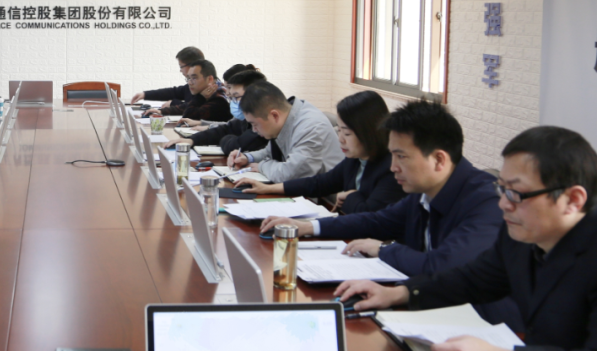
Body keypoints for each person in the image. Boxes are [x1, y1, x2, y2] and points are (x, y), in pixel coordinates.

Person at [261, 99, 520, 329]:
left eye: (401, 157)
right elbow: (377, 221)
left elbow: (444, 266)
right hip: (430, 308)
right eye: (392, 155)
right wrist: (310, 227)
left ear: (439, 160)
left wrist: (385, 250)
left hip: (486, 326)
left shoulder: (487, 202)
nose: (393, 167)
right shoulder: (424, 191)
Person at [335, 126, 597, 351]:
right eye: (502, 188)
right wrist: (398, 293)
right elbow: (472, 280)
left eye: (516, 193)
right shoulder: (520, 236)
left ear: (573, 200)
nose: (503, 204)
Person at [235, 90, 406, 214]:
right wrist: (267, 188)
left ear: (369, 132)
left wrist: (351, 198)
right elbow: (318, 183)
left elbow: (370, 218)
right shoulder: (356, 159)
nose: (340, 139)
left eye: (347, 133)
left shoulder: (390, 168)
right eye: (339, 130)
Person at [226, 81, 344, 182]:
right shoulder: (288, 117)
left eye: (255, 124)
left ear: (274, 116)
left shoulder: (310, 127)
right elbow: (269, 152)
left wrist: (261, 166)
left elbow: (291, 175)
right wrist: (247, 157)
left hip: (329, 199)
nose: (254, 130)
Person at [164, 68, 268, 156]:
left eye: (236, 97)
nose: (232, 102)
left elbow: (234, 146)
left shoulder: (262, 122)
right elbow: (225, 129)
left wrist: (227, 138)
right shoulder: (245, 118)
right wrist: (191, 140)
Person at [145, 59, 230, 122]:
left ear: (210, 79)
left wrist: (200, 98)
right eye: (188, 78)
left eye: (194, 78)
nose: (189, 82)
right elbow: (187, 106)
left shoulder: (219, 98)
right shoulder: (207, 91)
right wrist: (160, 111)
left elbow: (189, 115)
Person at [130, 46, 203, 110]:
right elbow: (173, 92)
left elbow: (197, 107)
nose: (180, 70)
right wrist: (145, 94)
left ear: (192, 65)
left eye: (181, 66)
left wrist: (173, 103)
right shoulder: (191, 85)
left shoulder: (204, 85)